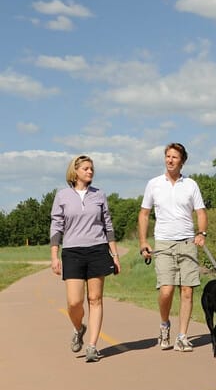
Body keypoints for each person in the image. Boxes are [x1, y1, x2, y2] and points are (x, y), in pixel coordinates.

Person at [50, 155, 121, 363]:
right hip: (72, 251)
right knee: (74, 302)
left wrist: (115, 255)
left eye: (92, 169)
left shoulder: (99, 195)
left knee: (95, 299)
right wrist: (54, 255)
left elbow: (108, 226)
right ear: (75, 172)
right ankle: (79, 327)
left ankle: (92, 346)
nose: (90, 172)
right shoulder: (62, 196)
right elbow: (56, 227)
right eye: (86, 169)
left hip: (98, 250)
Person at [138, 142, 207, 352]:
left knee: (187, 291)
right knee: (166, 290)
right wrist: (143, 241)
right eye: (167, 156)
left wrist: (201, 233)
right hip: (164, 243)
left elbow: (201, 212)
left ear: (182, 161)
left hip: (187, 243)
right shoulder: (154, 184)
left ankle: (182, 336)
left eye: (175, 157)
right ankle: (165, 324)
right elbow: (144, 214)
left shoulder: (191, 185)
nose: (170, 160)